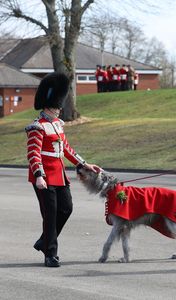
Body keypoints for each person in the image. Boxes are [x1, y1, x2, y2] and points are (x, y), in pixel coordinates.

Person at [25, 72, 101, 267]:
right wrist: (39, 176)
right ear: (47, 106)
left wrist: (84, 164)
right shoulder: (37, 127)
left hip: (59, 174)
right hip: (43, 177)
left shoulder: (58, 125)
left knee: (66, 208)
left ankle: (44, 241)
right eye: (56, 106)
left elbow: (66, 149)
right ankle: (50, 254)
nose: (59, 109)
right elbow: (33, 154)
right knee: (50, 215)